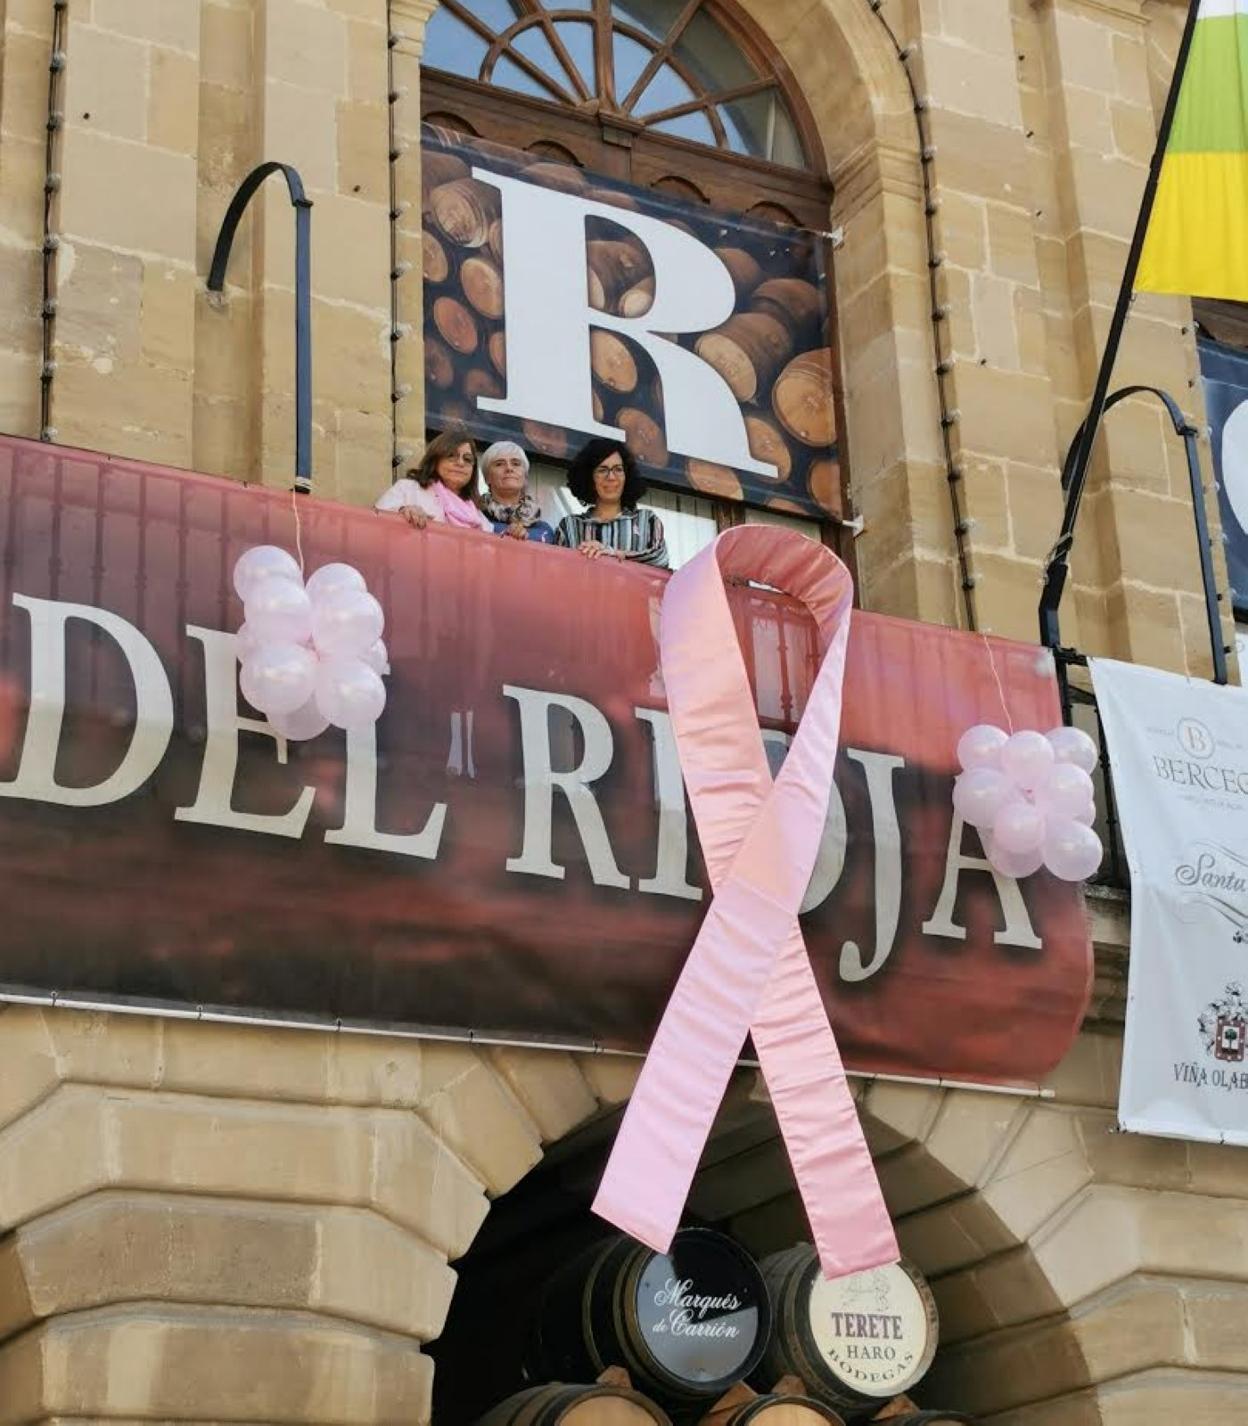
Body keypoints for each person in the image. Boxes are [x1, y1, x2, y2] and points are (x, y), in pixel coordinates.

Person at [554, 438, 669, 568]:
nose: (611, 477)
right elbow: (556, 570)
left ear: (627, 476)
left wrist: (614, 554)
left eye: (618, 469)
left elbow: (661, 560)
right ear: (589, 478)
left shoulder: (647, 521)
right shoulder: (569, 527)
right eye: (602, 470)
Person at [374, 428, 493, 532]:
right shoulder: (408, 489)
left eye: (467, 459)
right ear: (435, 460)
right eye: (451, 455)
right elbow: (375, 523)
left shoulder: (478, 515)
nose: (460, 463)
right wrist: (402, 512)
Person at [479, 440, 554, 543]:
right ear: (487, 477)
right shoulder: (474, 516)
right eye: (499, 464)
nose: (509, 468)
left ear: (525, 477)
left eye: (516, 464)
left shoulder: (545, 530)